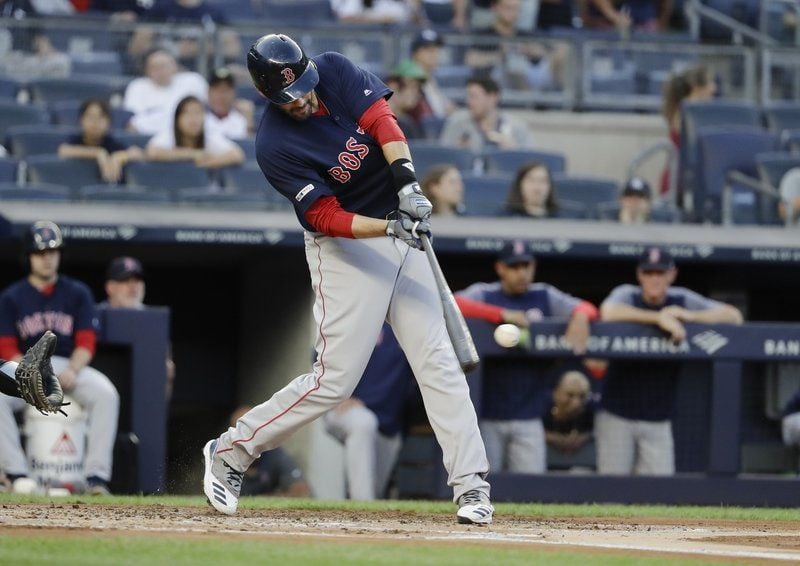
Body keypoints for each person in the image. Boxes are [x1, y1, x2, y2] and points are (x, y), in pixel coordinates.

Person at [201, 33, 494, 525]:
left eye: (306, 88)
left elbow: (382, 120)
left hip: (401, 226)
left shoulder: (333, 70)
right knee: (334, 381)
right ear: (268, 95)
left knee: (438, 362)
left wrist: (408, 184)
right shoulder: (274, 145)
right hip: (347, 249)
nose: (305, 100)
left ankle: (471, 486)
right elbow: (326, 217)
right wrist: (387, 225)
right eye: (291, 97)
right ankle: (232, 451)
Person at [597, 246, 743, 476]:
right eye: (649, 273)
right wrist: (659, 318)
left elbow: (733, 316)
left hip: (658, 417)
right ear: (640, 275)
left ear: (671, 275)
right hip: (617, 413)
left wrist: (690, 316)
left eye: (660, 273)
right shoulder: (628, 295)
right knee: (611, 489)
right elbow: (607, 311)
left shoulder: (681, 299)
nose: (654, 279)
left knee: (658, 496)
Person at [456, 241, 598, 473]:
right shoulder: (486, 293)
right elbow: (453, 303)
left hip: (530, 414)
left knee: (531, 489)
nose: (521, 273)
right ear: (501, 268)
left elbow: (588, 308)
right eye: (514, 267)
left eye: (526, 266)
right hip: (488, 414)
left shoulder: (543, 295)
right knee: (486, 481)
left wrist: (580, 317)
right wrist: (501, 314)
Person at [0, 221, 120, 495]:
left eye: (52, 251)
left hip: (68, 365)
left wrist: (75, 370)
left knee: (106, 394)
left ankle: (96, 479)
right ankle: (16, 474)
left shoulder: (77, 292)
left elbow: (86, 341)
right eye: (40, 252)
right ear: (29, 256)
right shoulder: (11, 297)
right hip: (25, 366)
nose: (47, 258)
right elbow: (6, 346)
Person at [323, 323, 415, 500]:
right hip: (346, 409)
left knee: (375, 490)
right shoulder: (355, 315)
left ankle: (363, 513)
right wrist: (338, 394)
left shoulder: (405, 326)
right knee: (363, 422)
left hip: (388, 420)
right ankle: (361, 505)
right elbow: (321, 355)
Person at [101, 256, 176, 399]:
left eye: (138, 281)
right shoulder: (92, 316)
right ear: (110, 287)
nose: (133, 287)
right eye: (126, 280)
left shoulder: (154, 324)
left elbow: (165, 387)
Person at [466, 0, 567, 91]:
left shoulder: (524, 34)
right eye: (508, 8)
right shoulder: (486, 34)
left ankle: (570, 102)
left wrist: (530, 50)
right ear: (495, 7)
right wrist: (500, 55)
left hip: (529, 74)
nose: (513, 13)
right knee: (513, 64)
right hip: (498, 79)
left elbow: (545, 54)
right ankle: (527, 100)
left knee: (564, 48)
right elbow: (471, 59)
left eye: (516, 9)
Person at [227, 405, 311, 497]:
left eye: (250, 430)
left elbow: (301, 490)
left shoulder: (272, 452)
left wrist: (263, 500)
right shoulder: (223, 454)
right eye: (240, 431)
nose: (246, 437)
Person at [58, 99, 144, 184]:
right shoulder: (75, 139)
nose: (95, 122)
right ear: (81, 120)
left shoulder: (111, 143)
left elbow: (138, 153)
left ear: (109, 122)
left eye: (101, 117)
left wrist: (119, 157)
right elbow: (64, 150)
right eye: (90, 117)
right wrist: (98, 153)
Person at [123, 48, 208, 135]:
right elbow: (133, 121)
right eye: (154, 67)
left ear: (174, 66)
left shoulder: (193, 81)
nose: (160, 71)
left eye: (164, 66)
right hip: (148, 136)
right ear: (147, 70)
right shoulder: (137, 87)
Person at [146, 95, 245, 168]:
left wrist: (206, 164)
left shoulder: (210, 136)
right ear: (177, 119)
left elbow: (237, 154)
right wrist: (193, 154)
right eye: (187, 113)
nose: (193, 119)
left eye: (197, 113)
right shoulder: (169, 134)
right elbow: (152, 152)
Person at [440, 76, 534, 152]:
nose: (469, 102)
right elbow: (443, 157)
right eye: (468, 96)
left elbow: (528, 163)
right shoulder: (457, 124)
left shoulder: (517, 127)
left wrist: (513, 152)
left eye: (474, 97)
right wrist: (458, 152)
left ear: (492, 97)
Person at [543, 370, 595, 459]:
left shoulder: (589, 411)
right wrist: (550, 437)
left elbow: (596, 431)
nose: (576, 403)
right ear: (556, 393)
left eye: (582, 396)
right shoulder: (543, 408)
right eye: (570, 395)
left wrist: (584, 437)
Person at [409, 29, 454, 120]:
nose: (435, 54)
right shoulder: (410, 79)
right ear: (415, 54)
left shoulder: (431, 79)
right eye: (429, 50)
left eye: (437, 50)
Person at [205, 67, 250, 140]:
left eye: (225, 90)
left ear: (233, 93)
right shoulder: (200, 120)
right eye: (217, 90)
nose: (221, 96)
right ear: (209, 92)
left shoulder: (241, 121)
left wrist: (249, 124)